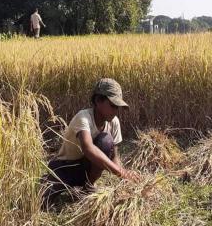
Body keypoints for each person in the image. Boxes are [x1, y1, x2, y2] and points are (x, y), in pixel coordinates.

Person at [41, 78, 140, 209]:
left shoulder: (114, 122)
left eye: (118, 107)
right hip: (65, 168)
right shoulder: (83, 117)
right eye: (113, 106)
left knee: (106, 141)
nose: (116, 111)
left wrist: (125, 181)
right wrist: (121, 172)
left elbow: (114, 155)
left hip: (87, 169)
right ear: (98, 100)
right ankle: (48, 181)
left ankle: (87, 187)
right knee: (42, 201)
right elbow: (88, 148)